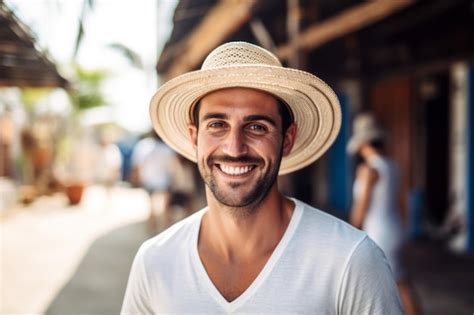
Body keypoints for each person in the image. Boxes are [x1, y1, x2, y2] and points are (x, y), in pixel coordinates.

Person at [122, 42, 402, 314]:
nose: (234, 148)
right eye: (217, 125)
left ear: (287, 139)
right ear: (195, 137)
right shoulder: (155, 261)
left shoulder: (350, 260)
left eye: (256, 126)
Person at [347, 113, 421, 315]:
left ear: (363, 144)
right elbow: (400, 202)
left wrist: (350, 232)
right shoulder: (392, 166)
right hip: (394, 227)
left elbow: (361, 206)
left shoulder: (368, 169)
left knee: (386, 284)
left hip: (378, 232)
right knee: (400, 281)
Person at [130, 131, 176, 233]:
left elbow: (137, 165)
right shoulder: (167, 149)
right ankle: (166, 232)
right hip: (164, 181)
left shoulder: (144, 146)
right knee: (165, 209)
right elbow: (172, 168)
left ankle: (151, 231)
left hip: (149, 181)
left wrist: (137, 178)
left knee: (151, 208)